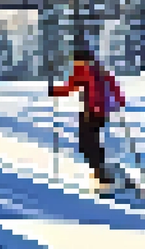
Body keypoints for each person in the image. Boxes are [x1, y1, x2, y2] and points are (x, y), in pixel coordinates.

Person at [49, 46, 126, 195]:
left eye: (76, 60)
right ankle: (101, 169)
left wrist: (54, 91)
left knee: (86, 142)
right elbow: (114, 86)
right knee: (92, 140)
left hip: (90, 112)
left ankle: (101, 172)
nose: (75, 63)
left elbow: (71, 87)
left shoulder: (83, 71)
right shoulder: (100, 69)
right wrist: (118, 101)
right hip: (101, 112)